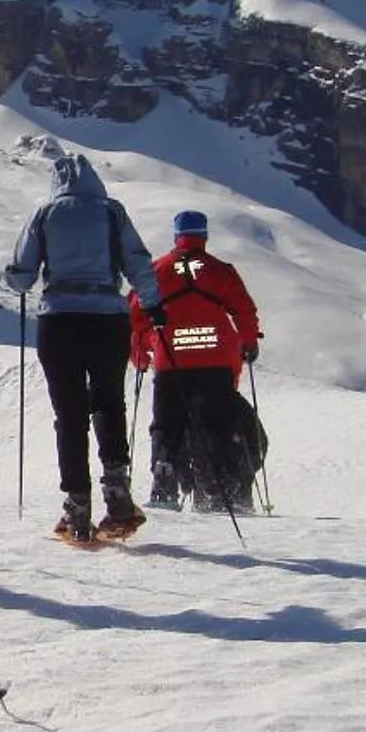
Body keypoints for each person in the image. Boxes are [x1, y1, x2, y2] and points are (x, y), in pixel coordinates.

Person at [4, 151, 165, 545]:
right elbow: (137, 262)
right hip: (108, 319)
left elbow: (22, 276)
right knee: (110, 403)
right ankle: (118, 494)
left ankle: (77, 505)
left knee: (69, 413)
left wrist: (18, 277)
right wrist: (152, 304)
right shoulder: (113, 212)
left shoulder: (45, 213)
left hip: (59, 321)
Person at [130, 209, 264, 511]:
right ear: (204, 236)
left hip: (170, 360)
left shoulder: (156, 270)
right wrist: (249, 342)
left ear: (177, 236)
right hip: (216, 361)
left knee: (167, 423)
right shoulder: (220, 270)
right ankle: (220, 489)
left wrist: (138, 355)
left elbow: (136, 315)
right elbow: (243, 309)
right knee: (217, 423)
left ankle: (164, 485)